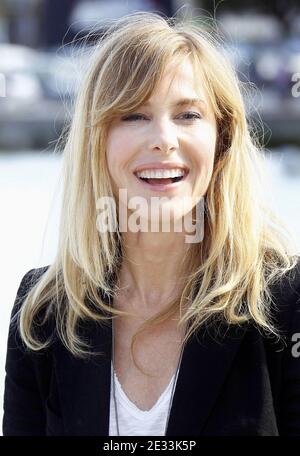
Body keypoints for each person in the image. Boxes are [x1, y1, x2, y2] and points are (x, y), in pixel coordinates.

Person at [3, 11, 300, 437]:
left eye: (188, 115)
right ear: (96, 141)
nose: (163, 138)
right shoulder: (42, 314)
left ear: (222, 140)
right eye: (134, 115)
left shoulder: (286, 304)